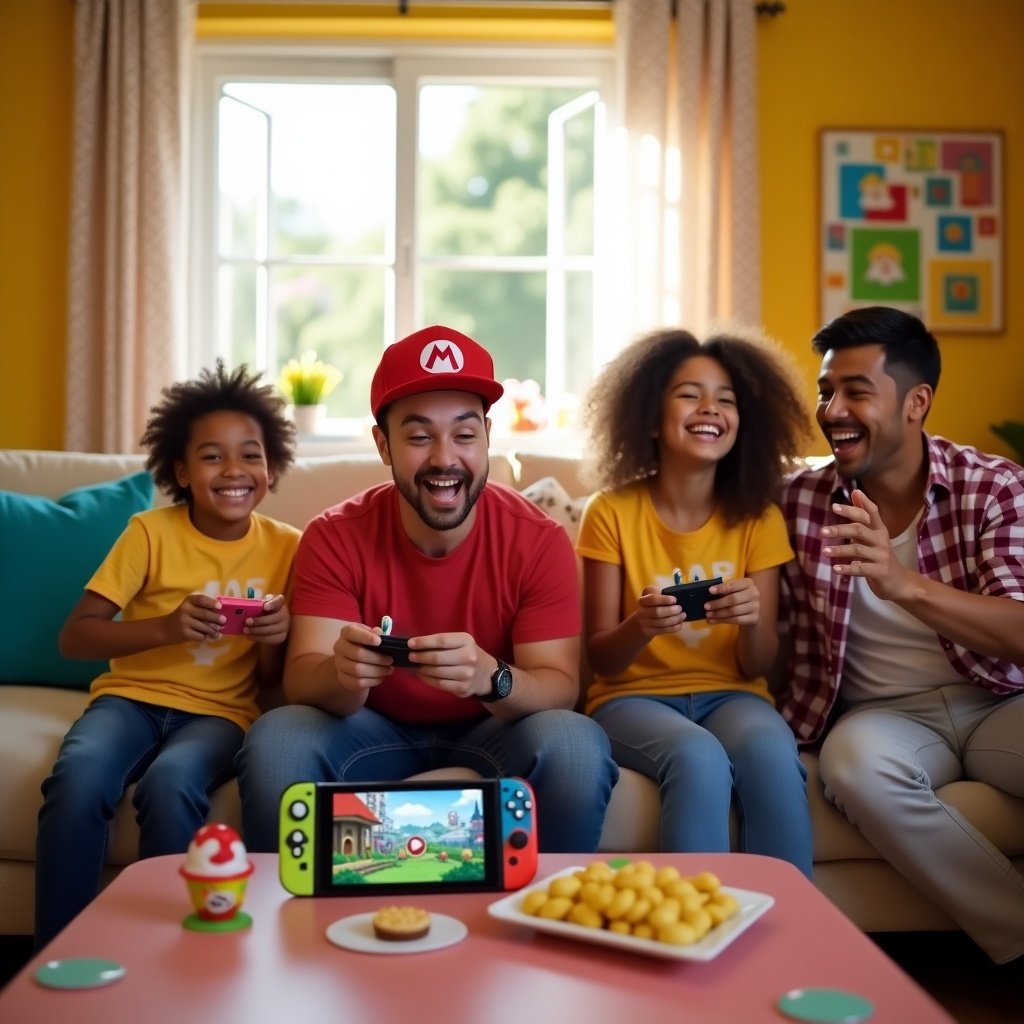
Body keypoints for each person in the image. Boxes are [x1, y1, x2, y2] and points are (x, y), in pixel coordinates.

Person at [236, 325, 618, 854]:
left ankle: (546, 916)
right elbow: (302, 680)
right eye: (419, 437)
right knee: (278, 739)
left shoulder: (539, 540)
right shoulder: (333, 535)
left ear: (486, 436)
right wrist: (343, 676)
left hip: (494, 730)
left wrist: (491, 677)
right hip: (370, 729)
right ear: (383, 444)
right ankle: (289, 920)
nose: (444, 459)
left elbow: (559, 688)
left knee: (576, 746)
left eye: (464, 434)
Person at [779, 305, 1024, 963]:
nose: (832, 410)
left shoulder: (993, 486)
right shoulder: (796, 500)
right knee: (853, 768)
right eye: (827, 390)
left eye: (857, 392)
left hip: (998, 700)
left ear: (917, 402)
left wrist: (901, 583)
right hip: (884, 718)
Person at [35, 362, 300, 948]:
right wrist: (167, 628)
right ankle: (56, 954)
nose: (234, 470)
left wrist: (273, 640)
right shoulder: (149, 532)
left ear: (272, 466)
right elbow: (76, 637)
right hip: (130, 700)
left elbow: (272, 681)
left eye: (250, 454)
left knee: (172, 782)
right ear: (180, 470)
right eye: (211, 456)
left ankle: (176, 955)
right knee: (78, 776)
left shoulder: (290, 547)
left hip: (221, 716)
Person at [575, 327, 814, 876]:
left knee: (772, 754)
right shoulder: (609, 511)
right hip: (630, 700)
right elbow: (602, 658)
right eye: (689, 393)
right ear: (650, 415)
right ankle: (691, 933)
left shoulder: (759, 518)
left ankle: (793, 938)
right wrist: (640, 624)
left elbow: (758, 663)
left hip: (734, 695)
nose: (710, 408)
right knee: (697, 755)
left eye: (726, 398)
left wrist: (753, 620)